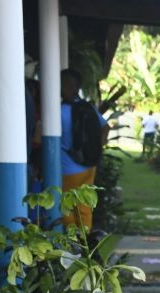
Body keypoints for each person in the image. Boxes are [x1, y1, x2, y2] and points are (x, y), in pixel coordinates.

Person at [60, 68, 109, 228]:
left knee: (67, 208)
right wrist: (96, 149)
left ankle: (73, 246)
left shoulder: (58, 112)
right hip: (89, 166)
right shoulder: (88, 108)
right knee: (85, 207)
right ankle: (86, 242)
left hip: (68, 170)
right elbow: (105, 127)